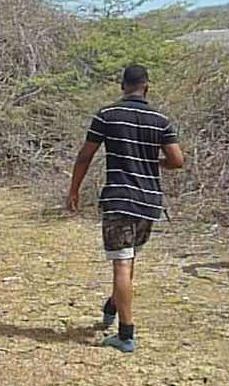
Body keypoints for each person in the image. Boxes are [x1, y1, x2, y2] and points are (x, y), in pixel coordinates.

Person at [66, 65, 184, 353]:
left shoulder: (106, 115)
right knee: (128, 261)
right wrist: (156, 164)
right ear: (147, 86)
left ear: (122, 86)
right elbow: (177, 161)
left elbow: (85, 156)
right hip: (148, 202)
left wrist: (74, 190)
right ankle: (112, 305)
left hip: (119, 198)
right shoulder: (160, 120)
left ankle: (126, 334)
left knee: (121, 263)